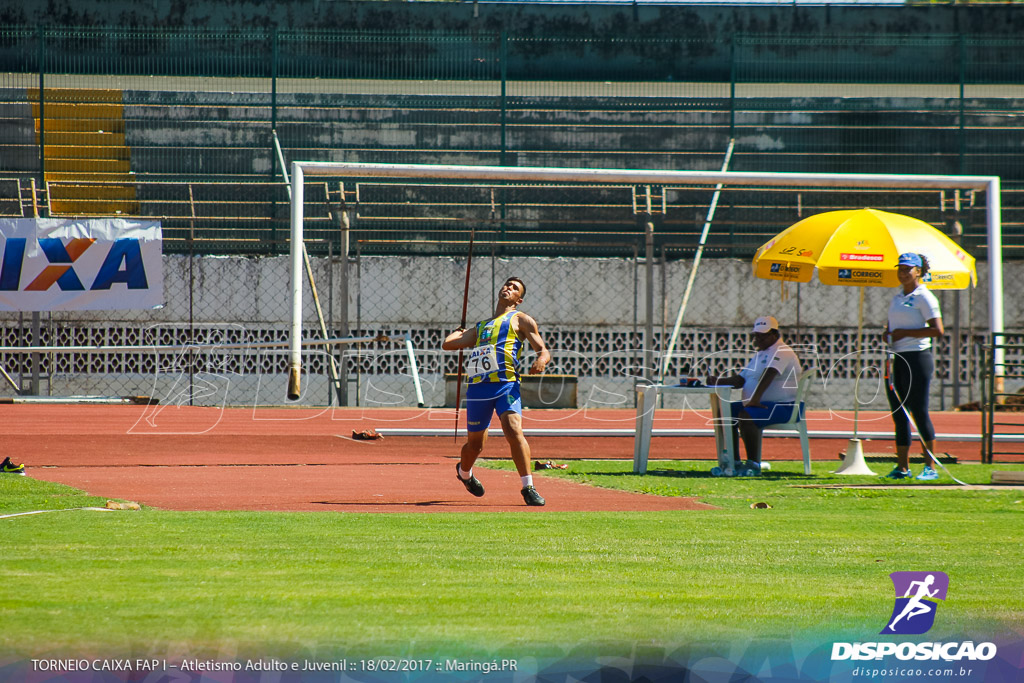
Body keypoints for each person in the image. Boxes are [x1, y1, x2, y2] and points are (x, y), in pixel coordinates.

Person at [442, 277, 552, 506]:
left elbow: (542, 349)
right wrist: (459, 331)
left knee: (513, 430)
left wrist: (541, 360)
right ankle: (464, 473)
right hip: (479, 389)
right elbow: (449, 344)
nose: (508, 288)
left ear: (518, 300)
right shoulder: (481, 326)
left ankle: (528, 487)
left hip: (506, 384)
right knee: (475, 445)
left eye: (514, 288)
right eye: (507, 285)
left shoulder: (520, 319)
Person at [705, 315, 803, 476]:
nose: (759, 339)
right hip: (764, 404)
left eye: (763, 335)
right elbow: (740, 380)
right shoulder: (760, 354)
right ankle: (733, 462)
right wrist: (717, 381)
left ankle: (753, 464)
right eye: (756, 335)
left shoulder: (782, 350)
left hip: (785, 406)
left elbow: (770, 373)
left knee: (746, 415)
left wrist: (755, 399)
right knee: (724, 411)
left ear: (774, 334)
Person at [884, 252, 944, 481]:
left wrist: (905, 333)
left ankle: (930, 467)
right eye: (900, 268)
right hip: (898, 357)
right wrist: (888, 333)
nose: (903, 273)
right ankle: (902, 467)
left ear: (918, 271)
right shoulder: (897, 297)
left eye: (908, 269)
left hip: (918, 358)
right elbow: (894, 324)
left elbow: (938, 330)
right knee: (899, 414)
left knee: (918, 411)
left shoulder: (925, 297)